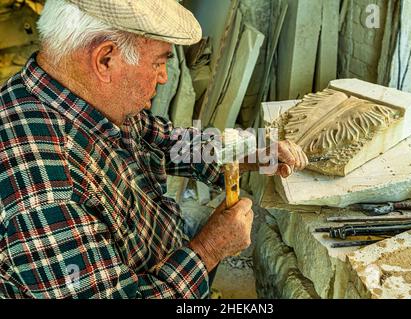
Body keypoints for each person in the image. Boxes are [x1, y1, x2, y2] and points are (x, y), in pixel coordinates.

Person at [0, 0, 308, 299]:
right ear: (106, 59)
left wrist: (249, 152)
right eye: (159, 62)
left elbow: (169, 142)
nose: (163, 76)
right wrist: (209, 250)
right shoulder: (45, 197)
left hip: (155, 246)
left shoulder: (78, 95)